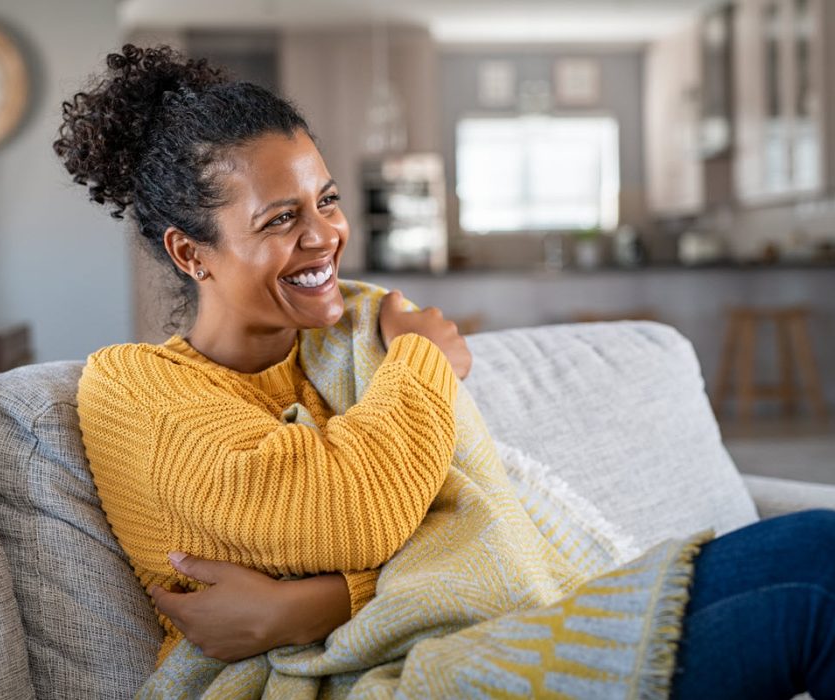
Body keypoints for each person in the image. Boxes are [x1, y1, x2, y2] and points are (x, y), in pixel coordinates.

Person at [55, 45, 835, 699]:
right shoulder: (132, 385)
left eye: (325, 200)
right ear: (190, 253)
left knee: (820, 548)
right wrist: (426, 358)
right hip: (365, 681)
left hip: (494, 628)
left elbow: (463, 514)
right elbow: (352, 509)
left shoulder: (350, 338)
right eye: (280, 218)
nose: (325, 236)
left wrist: (312, 604)